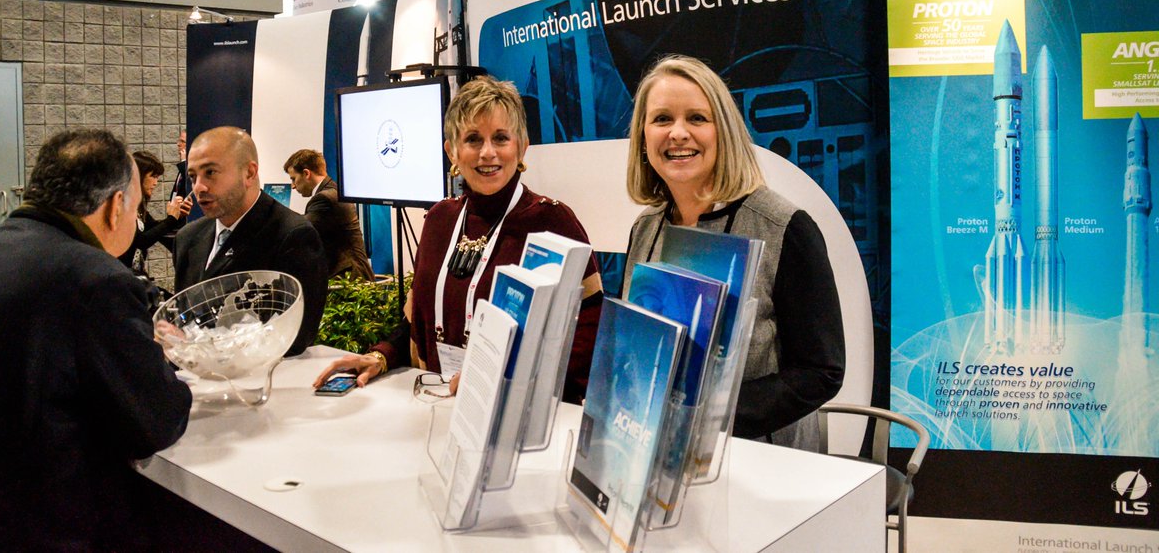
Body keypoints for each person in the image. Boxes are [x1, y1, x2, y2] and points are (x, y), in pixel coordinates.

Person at [0, 129, 192, 550]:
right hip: (54, 525)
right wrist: (158, 353)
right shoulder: (97, 279)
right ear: (116, 207)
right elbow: (156, 421)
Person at [313, 76, 603, 402]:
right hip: (435, 402)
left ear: (522, 146)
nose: (487, 153)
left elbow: (589, 332)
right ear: (452, 151)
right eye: (473, 139)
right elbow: (417, 318)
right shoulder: (440, 220)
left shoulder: (552, 222)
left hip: (513, 412)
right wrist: (381, 356)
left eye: (501, 138)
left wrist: (508, 382)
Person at [623, 55, 845, 450]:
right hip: (651, 449)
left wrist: (707, 416)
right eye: (661, 119)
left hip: (760, 458)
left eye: (697, 118)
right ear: (643, 135)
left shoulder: (784, 227)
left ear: (723, 131)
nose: (678, 133)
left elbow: (820, 371)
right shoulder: (645, 228)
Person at [173, 126, 328, 356]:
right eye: (193, 176)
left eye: (210, 173)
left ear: (249, 173)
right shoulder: (187, 238)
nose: (199, 187)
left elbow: (296, 337)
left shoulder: (292, 235)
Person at [283, 148, 375, 280]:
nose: (292, 186)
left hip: (348, 281)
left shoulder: (325, 198)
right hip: (353, 276)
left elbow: (301, 231)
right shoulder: (333, 191)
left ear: (306, 173)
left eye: (293, 179)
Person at [118, 150, 193, 284]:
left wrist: (178, 215)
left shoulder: (139, 207)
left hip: (135, 276)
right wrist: (171, 219)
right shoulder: (123, 206)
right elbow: (140, 241)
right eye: (153, 176)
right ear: (138, 175)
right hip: (122, 277)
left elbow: (156, 230)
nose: (155, 182)